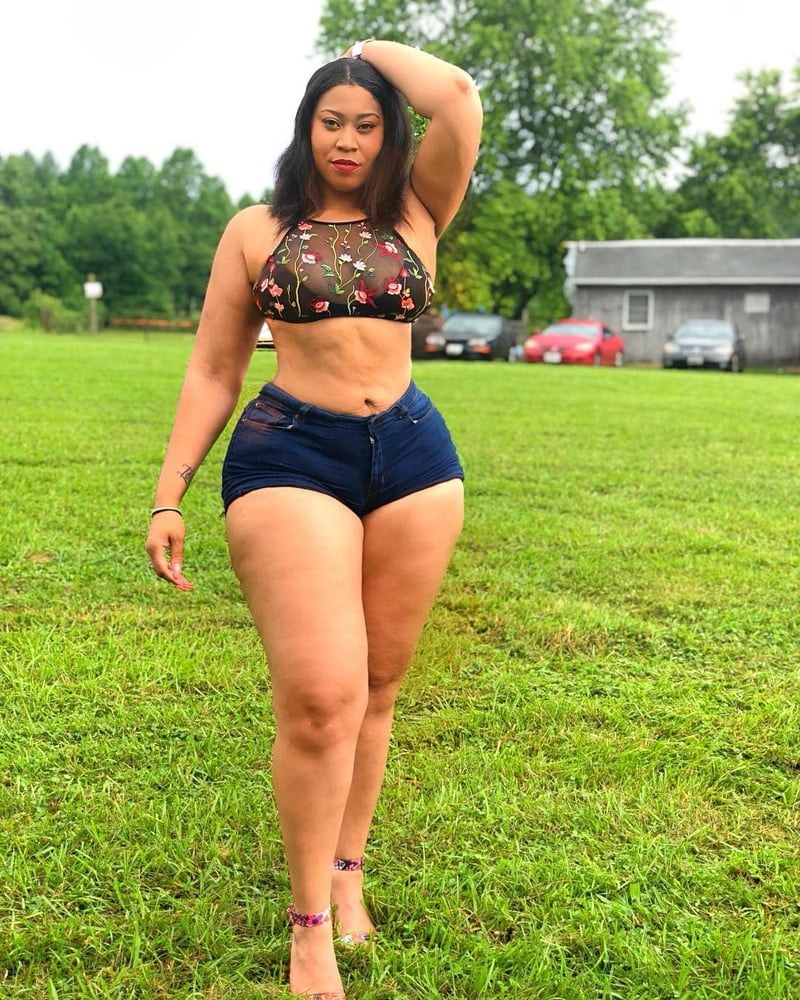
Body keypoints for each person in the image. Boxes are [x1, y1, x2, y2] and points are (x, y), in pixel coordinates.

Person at [145, 38, 482, 999]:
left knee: (376, 686)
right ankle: (308, 928)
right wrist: (169, 492)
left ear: (390, 135)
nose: (347, 139)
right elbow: (215, 368)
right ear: (305, 129)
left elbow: (458, 95)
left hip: (413, 456)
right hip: (292, 453)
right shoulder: (258, 230)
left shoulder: (418, 210)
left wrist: (364, 51)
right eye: (331, 121)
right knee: (323, 697)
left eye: (367, 124)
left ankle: (346, 873)